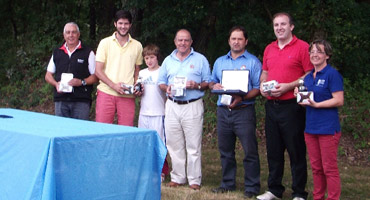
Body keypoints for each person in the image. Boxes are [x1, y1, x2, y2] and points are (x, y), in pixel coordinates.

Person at [257, 12, 313, 200]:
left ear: (291, 26)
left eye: (283, 24)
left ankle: (299, 192)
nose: (279, 28)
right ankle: (274, 189)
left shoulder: (303, 47)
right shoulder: (269, 48)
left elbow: (310, 74)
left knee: (296, 150)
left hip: (293, 106)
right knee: (273, 150)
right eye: (276, 25)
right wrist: (263, 86)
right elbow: (265, 71)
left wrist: (289, 86)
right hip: (272, 105)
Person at [209, 26, 261, 198]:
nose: (236, 42)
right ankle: (227, 183)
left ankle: (252, 187)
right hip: (223, 111)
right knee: (225, 150)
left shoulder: (253, 62)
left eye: (240, 39)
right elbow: (212, 82)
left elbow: (258, 88)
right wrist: (213, 85)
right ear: (229, 41)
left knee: (249, 151)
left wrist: (243, 98)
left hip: (244, 111)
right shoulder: (219, 62)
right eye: (233, 38)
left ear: (245, 41)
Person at [157, 29, 211, 190]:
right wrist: (166, 88)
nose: (183, 43)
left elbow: (208, 82)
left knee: (193, 144)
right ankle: (178, 177)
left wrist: (197, 85)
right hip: (172, 105)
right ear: (175, 42)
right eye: (180, 40)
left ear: (191, 42)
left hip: (192, 104)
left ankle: (194, 179)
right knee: (174, 144)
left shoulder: (200, 59)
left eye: (186, 40)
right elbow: (161, 81)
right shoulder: (168, 60)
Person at [295, 39, 343, 200]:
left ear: (327, 55)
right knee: (316, 167)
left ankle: (333, 197)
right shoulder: (308, 78)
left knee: (329, 167)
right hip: (310, 127)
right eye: (312, 51)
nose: (315, 54)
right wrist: (299, 97)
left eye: (319, 51)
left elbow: (339, 100)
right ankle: (318, 196)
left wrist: (318, 104)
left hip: (328, 128)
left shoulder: (332, 74)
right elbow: (307, 103)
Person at [94, 10, 143, 126]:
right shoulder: (105, 43)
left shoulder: (137, 45)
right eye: (120, 23)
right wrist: (113, 86)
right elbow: (98, 70)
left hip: (127, 95)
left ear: (130, 25)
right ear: (115, 24)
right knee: (102, 130)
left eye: (126, 24)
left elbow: (137, 71)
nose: (123, 27)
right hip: (106, 92)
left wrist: (137, 85)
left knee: (126, 131)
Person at [45, 22, 97, 120]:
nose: (71, 35)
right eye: (68, 32)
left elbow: (95, 76)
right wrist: (56, 84)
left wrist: (82, 82)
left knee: (80, 131)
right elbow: (48, 75)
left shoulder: (88, 52)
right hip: (61, 99)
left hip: (81, 100)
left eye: (73, 32)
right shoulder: (57, 52)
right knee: (62, 131)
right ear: (64, 35)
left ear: (78, 34)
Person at [138, 44, 169, 182]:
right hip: (144, 113)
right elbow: (138, 90)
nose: (149, 61)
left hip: (159, 112)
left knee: (159, 143)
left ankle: (161, 171)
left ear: (157, 57)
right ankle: (147, 170)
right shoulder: (142, 73)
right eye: (146, 58)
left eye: (152, 57)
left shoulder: (163, 71)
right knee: (144, 143)